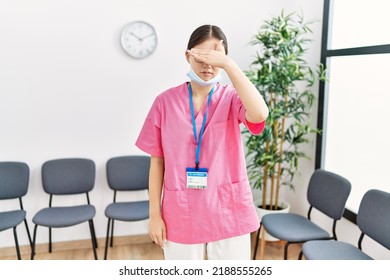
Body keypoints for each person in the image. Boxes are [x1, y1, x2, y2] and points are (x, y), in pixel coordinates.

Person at [135, 24, 268, 260]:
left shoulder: (231, 98)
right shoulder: (164, 103)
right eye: (202, 56)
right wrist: (154, 215)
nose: (208, 65)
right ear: (188, 55)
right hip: (181, 211)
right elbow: (157, 163)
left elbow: (259, 114)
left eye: (216, 58)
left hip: (228, 209)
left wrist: (229, 65)